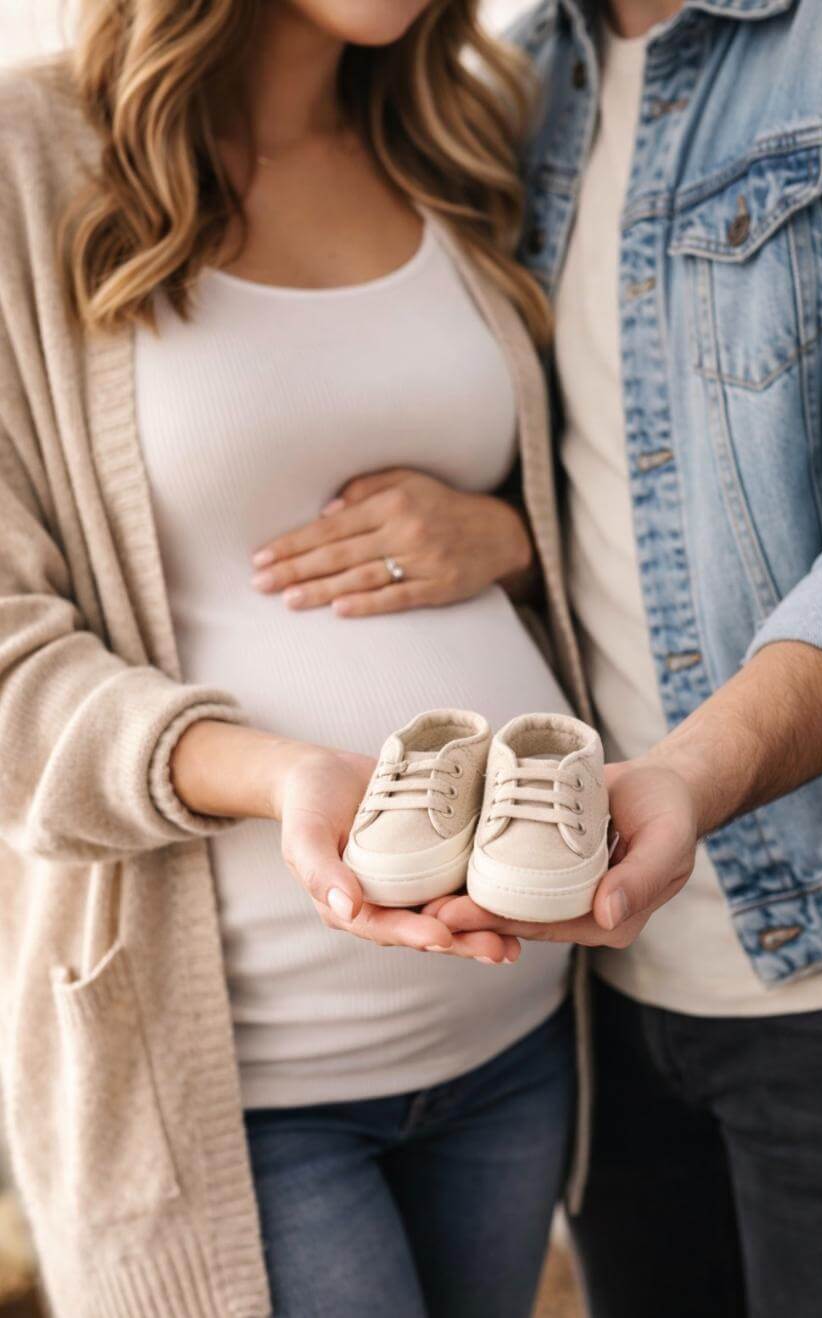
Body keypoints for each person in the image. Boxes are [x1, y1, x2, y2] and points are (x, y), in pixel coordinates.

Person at [0, 3, 590, 1314]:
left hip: (509, 1022)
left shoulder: (466, 135)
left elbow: (594, 501)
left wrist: (506, 536)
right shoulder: (24, 158)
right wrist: (281, 776)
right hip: (242, 1076)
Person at [436, 0, 822, 1314]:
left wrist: (688, 777)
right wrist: (507, 532)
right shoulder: (511, 81)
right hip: (598, 997)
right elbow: (638, 465)